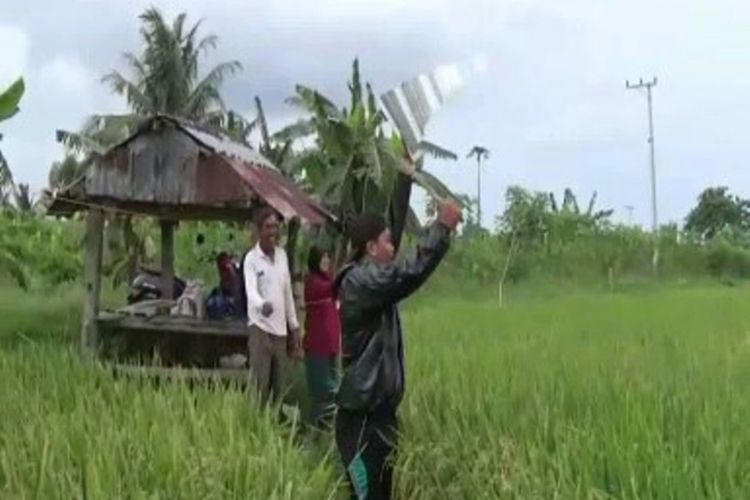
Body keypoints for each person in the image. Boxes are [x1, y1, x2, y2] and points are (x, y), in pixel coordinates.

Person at [334, 200, 462, 499]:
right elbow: (409, 271)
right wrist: (441, 228)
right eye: (388, 242)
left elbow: (394, 220)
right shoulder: (360, 281)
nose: (393, 249)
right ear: (370, 247)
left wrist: (404, 176)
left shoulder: (373, 281)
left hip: (380, 414)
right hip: (361, 419)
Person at [243, 207, 302, 404]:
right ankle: (256, 426)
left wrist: (294, 326)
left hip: (280, 331)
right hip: (260, 328)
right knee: (260, 384)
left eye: (275, 227)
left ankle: (276, 429)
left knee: (280, 386)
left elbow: (286, 293)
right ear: (259, 230)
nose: (272, 232)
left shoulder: (282, 256)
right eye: (268, 227)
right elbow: (250, 291)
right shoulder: (251, 259)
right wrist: (262, 304)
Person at [303, 246, 341, 429]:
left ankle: (326, 428)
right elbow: (333, 288)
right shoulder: (313, 283)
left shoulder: (328, 281)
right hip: (318, 346)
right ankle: (314, 429)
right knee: (321, 389)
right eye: (322, 258)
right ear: (314, 261)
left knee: (333, 389)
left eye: (327, 257)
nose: (326, 261)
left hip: (331, 346)